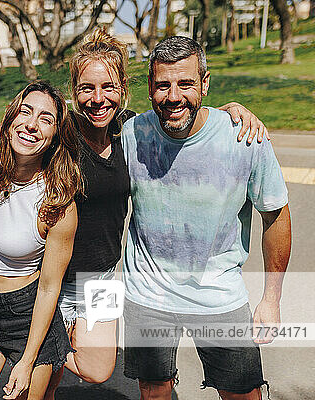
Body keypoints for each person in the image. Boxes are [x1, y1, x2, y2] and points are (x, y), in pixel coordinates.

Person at [40, 28, 269, 398]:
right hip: (51, 277)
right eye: (87, 88)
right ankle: (32, 343)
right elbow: (8, 132)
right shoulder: (59, 131)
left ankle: (39, 344)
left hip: (102, 279)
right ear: (74, 91)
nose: (98, 99)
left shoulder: (126, 129)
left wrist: (231, 112)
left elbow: (187, 108)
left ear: (124, 89)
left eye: (108, 88)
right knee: (42, 382)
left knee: (99, 369)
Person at [120, 36, 291, 399]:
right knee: (154, 389)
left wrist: (271, 298)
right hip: (148, 294)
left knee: (243, 392)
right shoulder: (132, 134)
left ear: (205, 83)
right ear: (150, 87)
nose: (173, 96)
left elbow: (275, 215)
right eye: (163, 84)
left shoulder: (245, 138)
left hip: (219, 296)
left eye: (185, 83)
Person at [0, 81, 82, 400]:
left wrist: (28, 360)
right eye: (25, 112)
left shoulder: (57, 202)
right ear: (9, 120)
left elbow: (50, 287)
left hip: (27, 317)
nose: (32, 124)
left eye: (46, 119)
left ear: (54, 138)